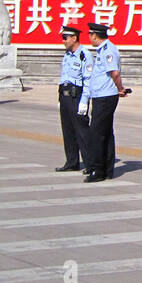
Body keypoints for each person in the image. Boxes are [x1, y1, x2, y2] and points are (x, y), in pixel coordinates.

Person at [84, 22, 129, 182]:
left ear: (95, 36)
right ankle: (107, 169)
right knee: (105, 133)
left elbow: (115, 73)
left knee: (96, 133)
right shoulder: (104, 49)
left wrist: (120, 89)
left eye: (90, 35)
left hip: (105, 97)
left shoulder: (108, 50)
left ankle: (98, 170)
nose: (89, 38)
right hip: (101, 96)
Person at [54, 26, 91, 173]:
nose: (63, 41)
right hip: (65, 95)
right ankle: (71, 162)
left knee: (82, 132)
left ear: (74, 38)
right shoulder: (67, 55)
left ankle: (90, 163)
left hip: (77, 96)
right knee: (67, 131)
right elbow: (64, 76)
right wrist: (60, 98)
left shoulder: (84, 55)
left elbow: (88, 80)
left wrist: (84, 101)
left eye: (65, 38)